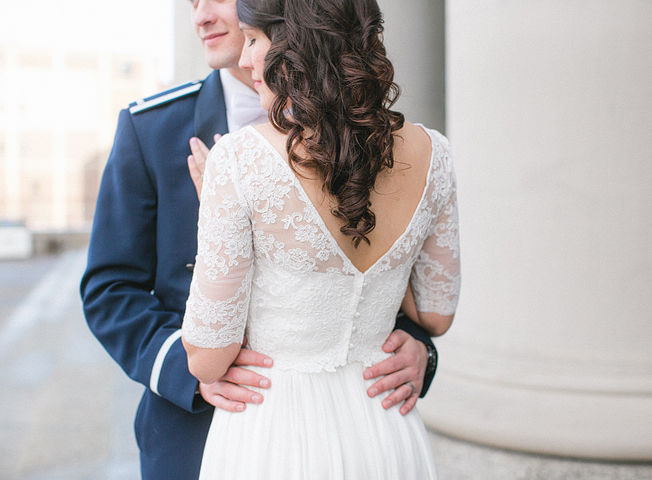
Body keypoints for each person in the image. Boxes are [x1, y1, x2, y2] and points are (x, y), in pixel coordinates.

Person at [80, 0, 438, 478]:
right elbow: (109, 288)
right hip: (196, 437)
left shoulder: (378, 137)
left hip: (352, 427)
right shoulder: (151, 129)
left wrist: (416, 348)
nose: (201, 16)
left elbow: (377, 269)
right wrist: (188, 372)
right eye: (191, 1)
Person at [181, 0, 460, 477]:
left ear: (295, 45)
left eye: (253, 41)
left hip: (276, 436)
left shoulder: (238, 160)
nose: (245, 60)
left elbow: (208, 359)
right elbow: (435, 314)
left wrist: (219, 210)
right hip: (383, 428)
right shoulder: (434, 153)